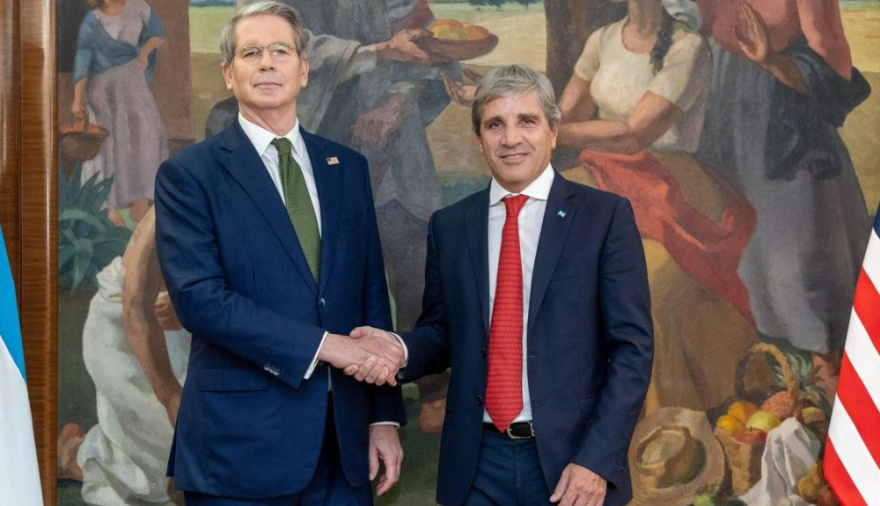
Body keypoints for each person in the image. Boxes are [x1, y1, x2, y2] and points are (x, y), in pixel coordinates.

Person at [349, 64, 654, 506]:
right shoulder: (450, 225)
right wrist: (399, 349)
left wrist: (596, 461)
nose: (511, 138)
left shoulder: (604, 217)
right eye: (495, 124)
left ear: (553, 132)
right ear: (480, 138)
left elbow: (632, 350)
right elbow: (442, 334)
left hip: (572, 464)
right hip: (476, 464)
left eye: (526, 121)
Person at [154, 2, 406, 504]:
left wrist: (382, 416)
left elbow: (370, 296)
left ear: (304, 70)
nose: (267, 63)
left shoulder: (347, 168)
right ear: (229, 74)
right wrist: (327, 346)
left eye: (280, 51)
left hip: (345, 447)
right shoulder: (189, 175)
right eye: (251, 53)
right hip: (239, 450)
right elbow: (200, 301)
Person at [553, 0, 758, 411]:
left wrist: (541, 129)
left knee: (643, 287)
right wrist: (507, 107)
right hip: (607, 175)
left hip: (673, 187)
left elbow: (634, 134)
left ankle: (660, 420)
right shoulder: (602, 39)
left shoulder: (688, 48)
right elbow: (562, 114)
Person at [694, 0, 870, 387]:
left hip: (784, 129)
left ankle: (825, 384)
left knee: (797, 259)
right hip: (721, 118)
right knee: (740, 252)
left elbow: (833, 74)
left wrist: (770, 61)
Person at [57, 206, 188, 506]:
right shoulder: (165, 213)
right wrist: (170, 396)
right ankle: (78, 456)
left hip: (181, 331)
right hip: (123, 336)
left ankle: (85, 452)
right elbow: (135, 309)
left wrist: (185, 308)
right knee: (170, 444)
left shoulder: (239, 209)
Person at [72, 0, 169, 226]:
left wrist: (144, 51)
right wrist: (77, 100)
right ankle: (108, 206)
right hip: (103, 91)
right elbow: (82, 62)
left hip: (133, 82)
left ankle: (141, 199)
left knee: (146, 133)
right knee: (110, 143)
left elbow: (158, 33)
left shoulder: (138, 7)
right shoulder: (92, 21)